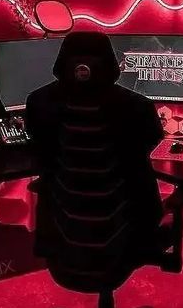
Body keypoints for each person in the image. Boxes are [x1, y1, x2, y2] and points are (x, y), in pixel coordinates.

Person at [24, 32, 164, 286]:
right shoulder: (137, 108)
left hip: (63, 248)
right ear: (111, 63)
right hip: (119, 248)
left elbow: (40, 150)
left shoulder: (38, 103)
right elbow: (149, 147)